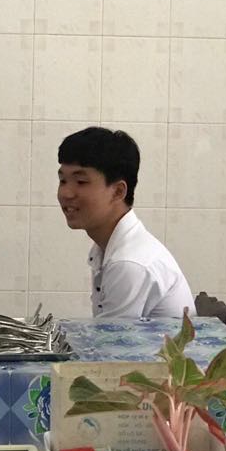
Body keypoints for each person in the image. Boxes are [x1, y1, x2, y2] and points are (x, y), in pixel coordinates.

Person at [57, 126, 195, 319]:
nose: (66, 193)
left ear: (118, 192)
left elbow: (109, 346)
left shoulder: (130, 263)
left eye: (81, 182)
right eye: (63, 181)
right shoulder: (111, 248)